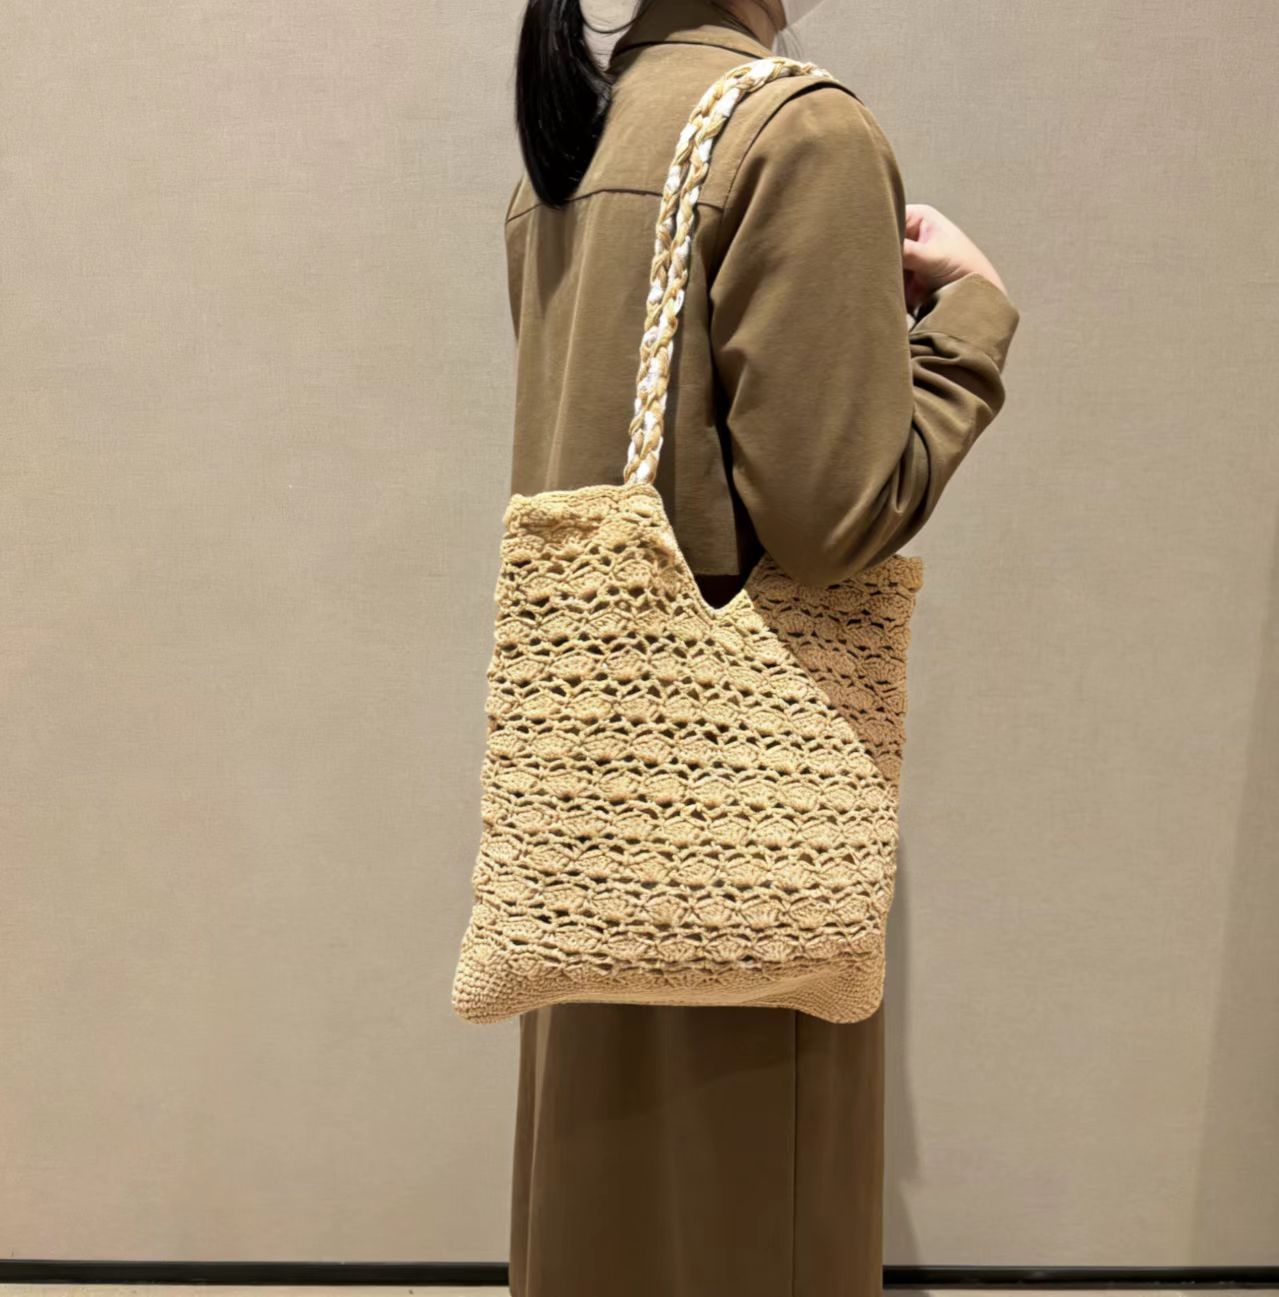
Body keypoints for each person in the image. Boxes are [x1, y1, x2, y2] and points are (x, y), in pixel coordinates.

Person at [501, 2, 1021, 1294]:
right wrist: (970, 323)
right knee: (751, 1229)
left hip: (594, 817)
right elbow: (832, 520)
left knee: (602, 1226)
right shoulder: (800, 136)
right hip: (739, 847)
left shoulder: (573, 142)